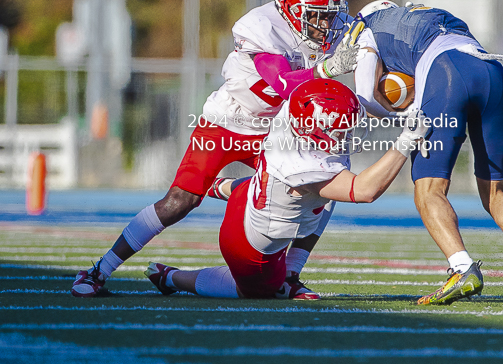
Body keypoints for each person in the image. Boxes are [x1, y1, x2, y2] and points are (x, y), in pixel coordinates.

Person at [71, 0, 361, 298]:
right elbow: (281, 83)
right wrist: (327, 68)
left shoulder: (325, 26)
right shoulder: (261, 27)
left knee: (324, 185)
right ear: (288, 8)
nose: (326, 24)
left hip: (274, 129)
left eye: (330, 14)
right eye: (316, 14)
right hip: (228, 121)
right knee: (179, 201)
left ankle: (290, 274)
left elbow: (362, 33)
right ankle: (99, 271)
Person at [145, 78, 429, 299]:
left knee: (320, 192)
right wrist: (406, 140)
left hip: (251, 198)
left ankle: (221, 189)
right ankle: (172, 278)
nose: (346, 135)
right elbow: (365, 191)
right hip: (248, 248)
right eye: (339, 131)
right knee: (255, 292)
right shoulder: (304, 164)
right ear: (312, 129)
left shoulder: (291, 115)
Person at [348, 0, 503, 306]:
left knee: (428, 189)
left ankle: (462, 268)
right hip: (492, 69)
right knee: (496, 193)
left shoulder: (368, 30)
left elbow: (366, 96)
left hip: (446, 74)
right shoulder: (426, 15)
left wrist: (403, 119)